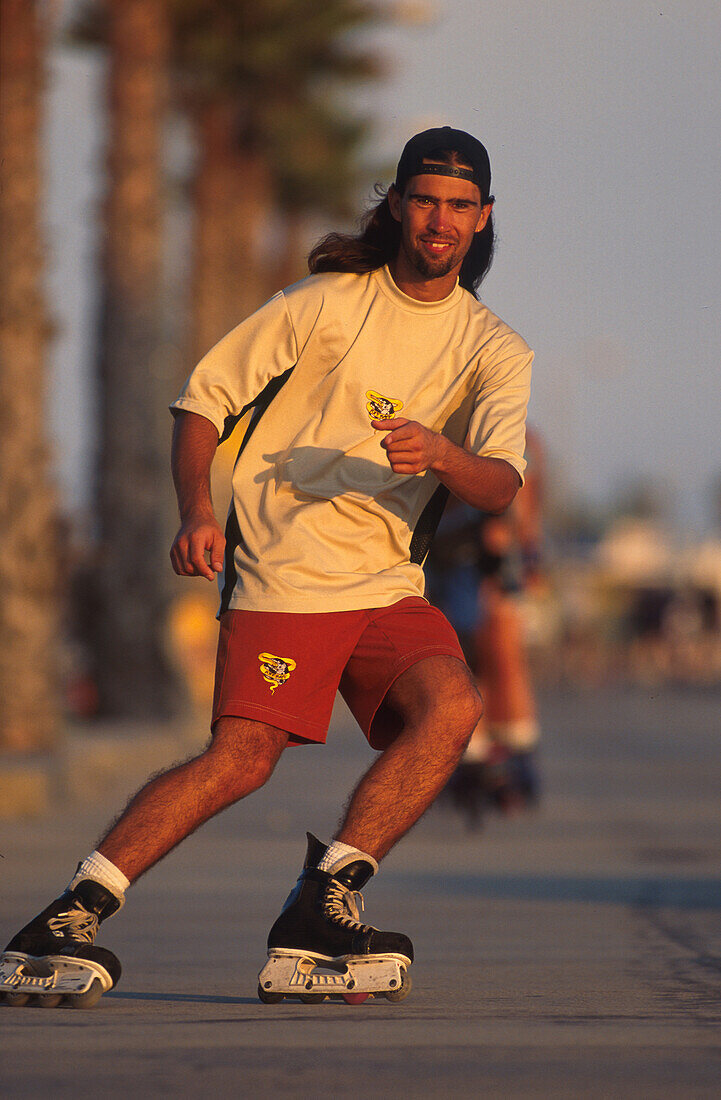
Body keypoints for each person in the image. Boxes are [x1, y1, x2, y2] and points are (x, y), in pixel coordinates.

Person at [0, 126, 532, 1007]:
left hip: (385, 580)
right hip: (287, 567)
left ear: (481, 219)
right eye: (425, 200)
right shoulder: (324, 302)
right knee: (243, 758)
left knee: (451, 707)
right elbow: (202, 402)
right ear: (398, 204)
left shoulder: (493, 349)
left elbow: (501, 484)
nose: (440, 219)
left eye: (459, 205)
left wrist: (441, 452)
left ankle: (325, 903)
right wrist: (198, 510)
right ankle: (70, 912)